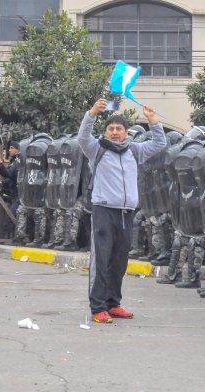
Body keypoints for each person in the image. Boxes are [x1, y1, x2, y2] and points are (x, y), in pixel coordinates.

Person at [78, 98, 166, 324]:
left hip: (127, 213)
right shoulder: (96, 149)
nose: (115, 132)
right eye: (111, 129)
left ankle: (113, 303)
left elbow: (159, 143)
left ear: (126, 132)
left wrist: (152, 121)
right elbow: (83, 137)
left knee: (119, 261)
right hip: (103, 211)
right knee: (102, 260)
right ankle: (97, 307)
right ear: (106, 132)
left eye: (119, 129)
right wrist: (92, 113)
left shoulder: (134, 150)